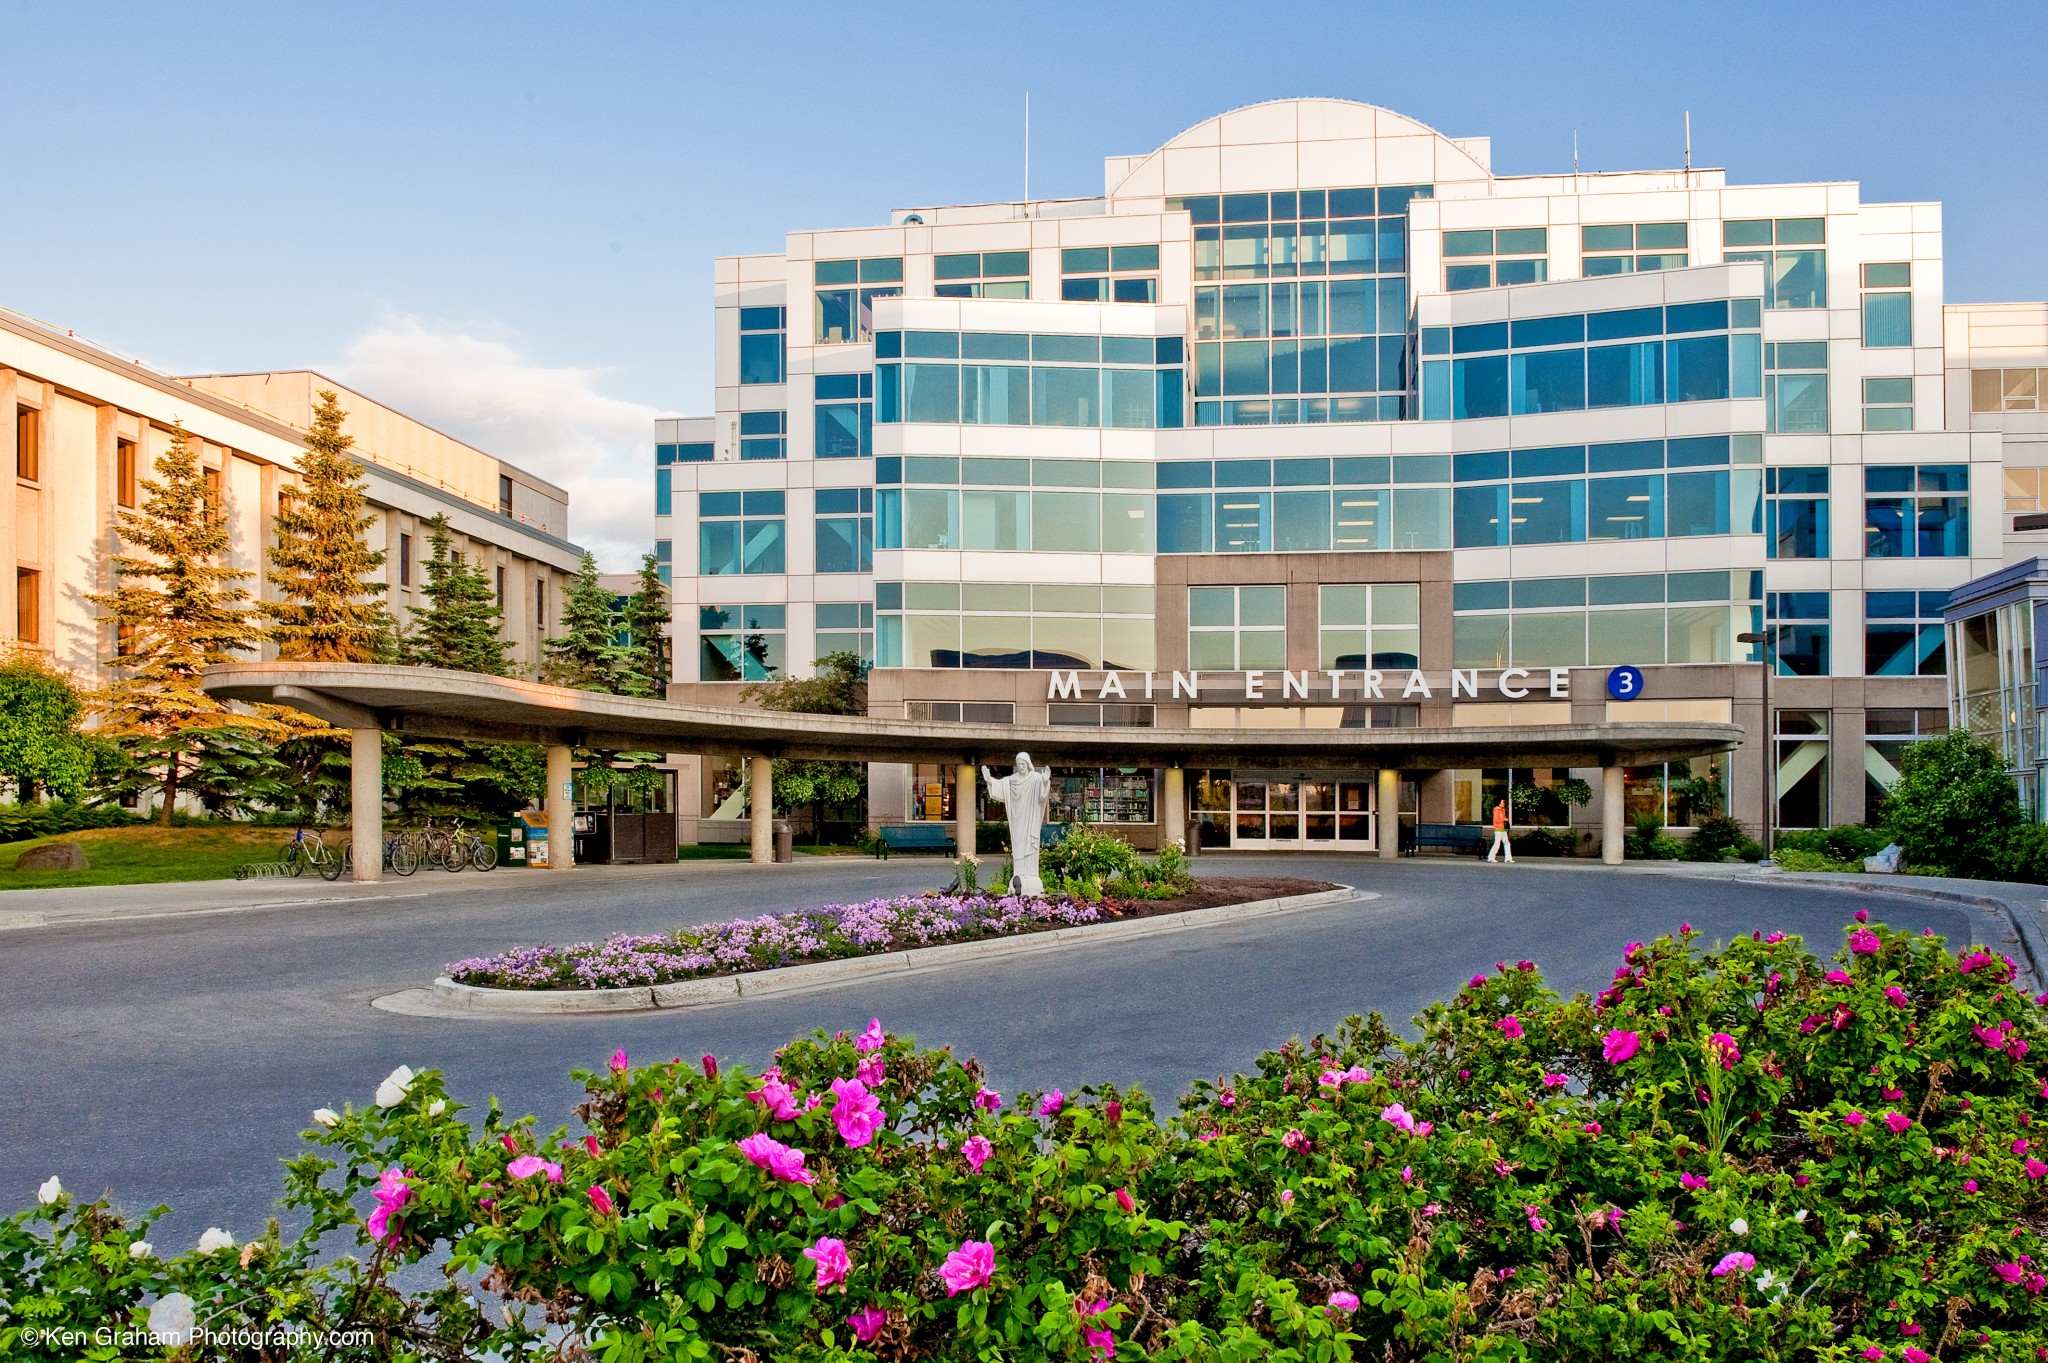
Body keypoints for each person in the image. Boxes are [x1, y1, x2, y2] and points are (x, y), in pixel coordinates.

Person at [1487, 798, 1514, 863]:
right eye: (1502, 802)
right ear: (1499, 803)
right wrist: (1504, 820)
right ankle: (1491, 857)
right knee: (1497, 844)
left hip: (1503, 829)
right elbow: (1496, 820)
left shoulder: (1503, 810)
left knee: (1507, 843)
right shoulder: (1496, 810)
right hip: (1498, 829)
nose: (1503, 803)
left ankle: (1508, 858)